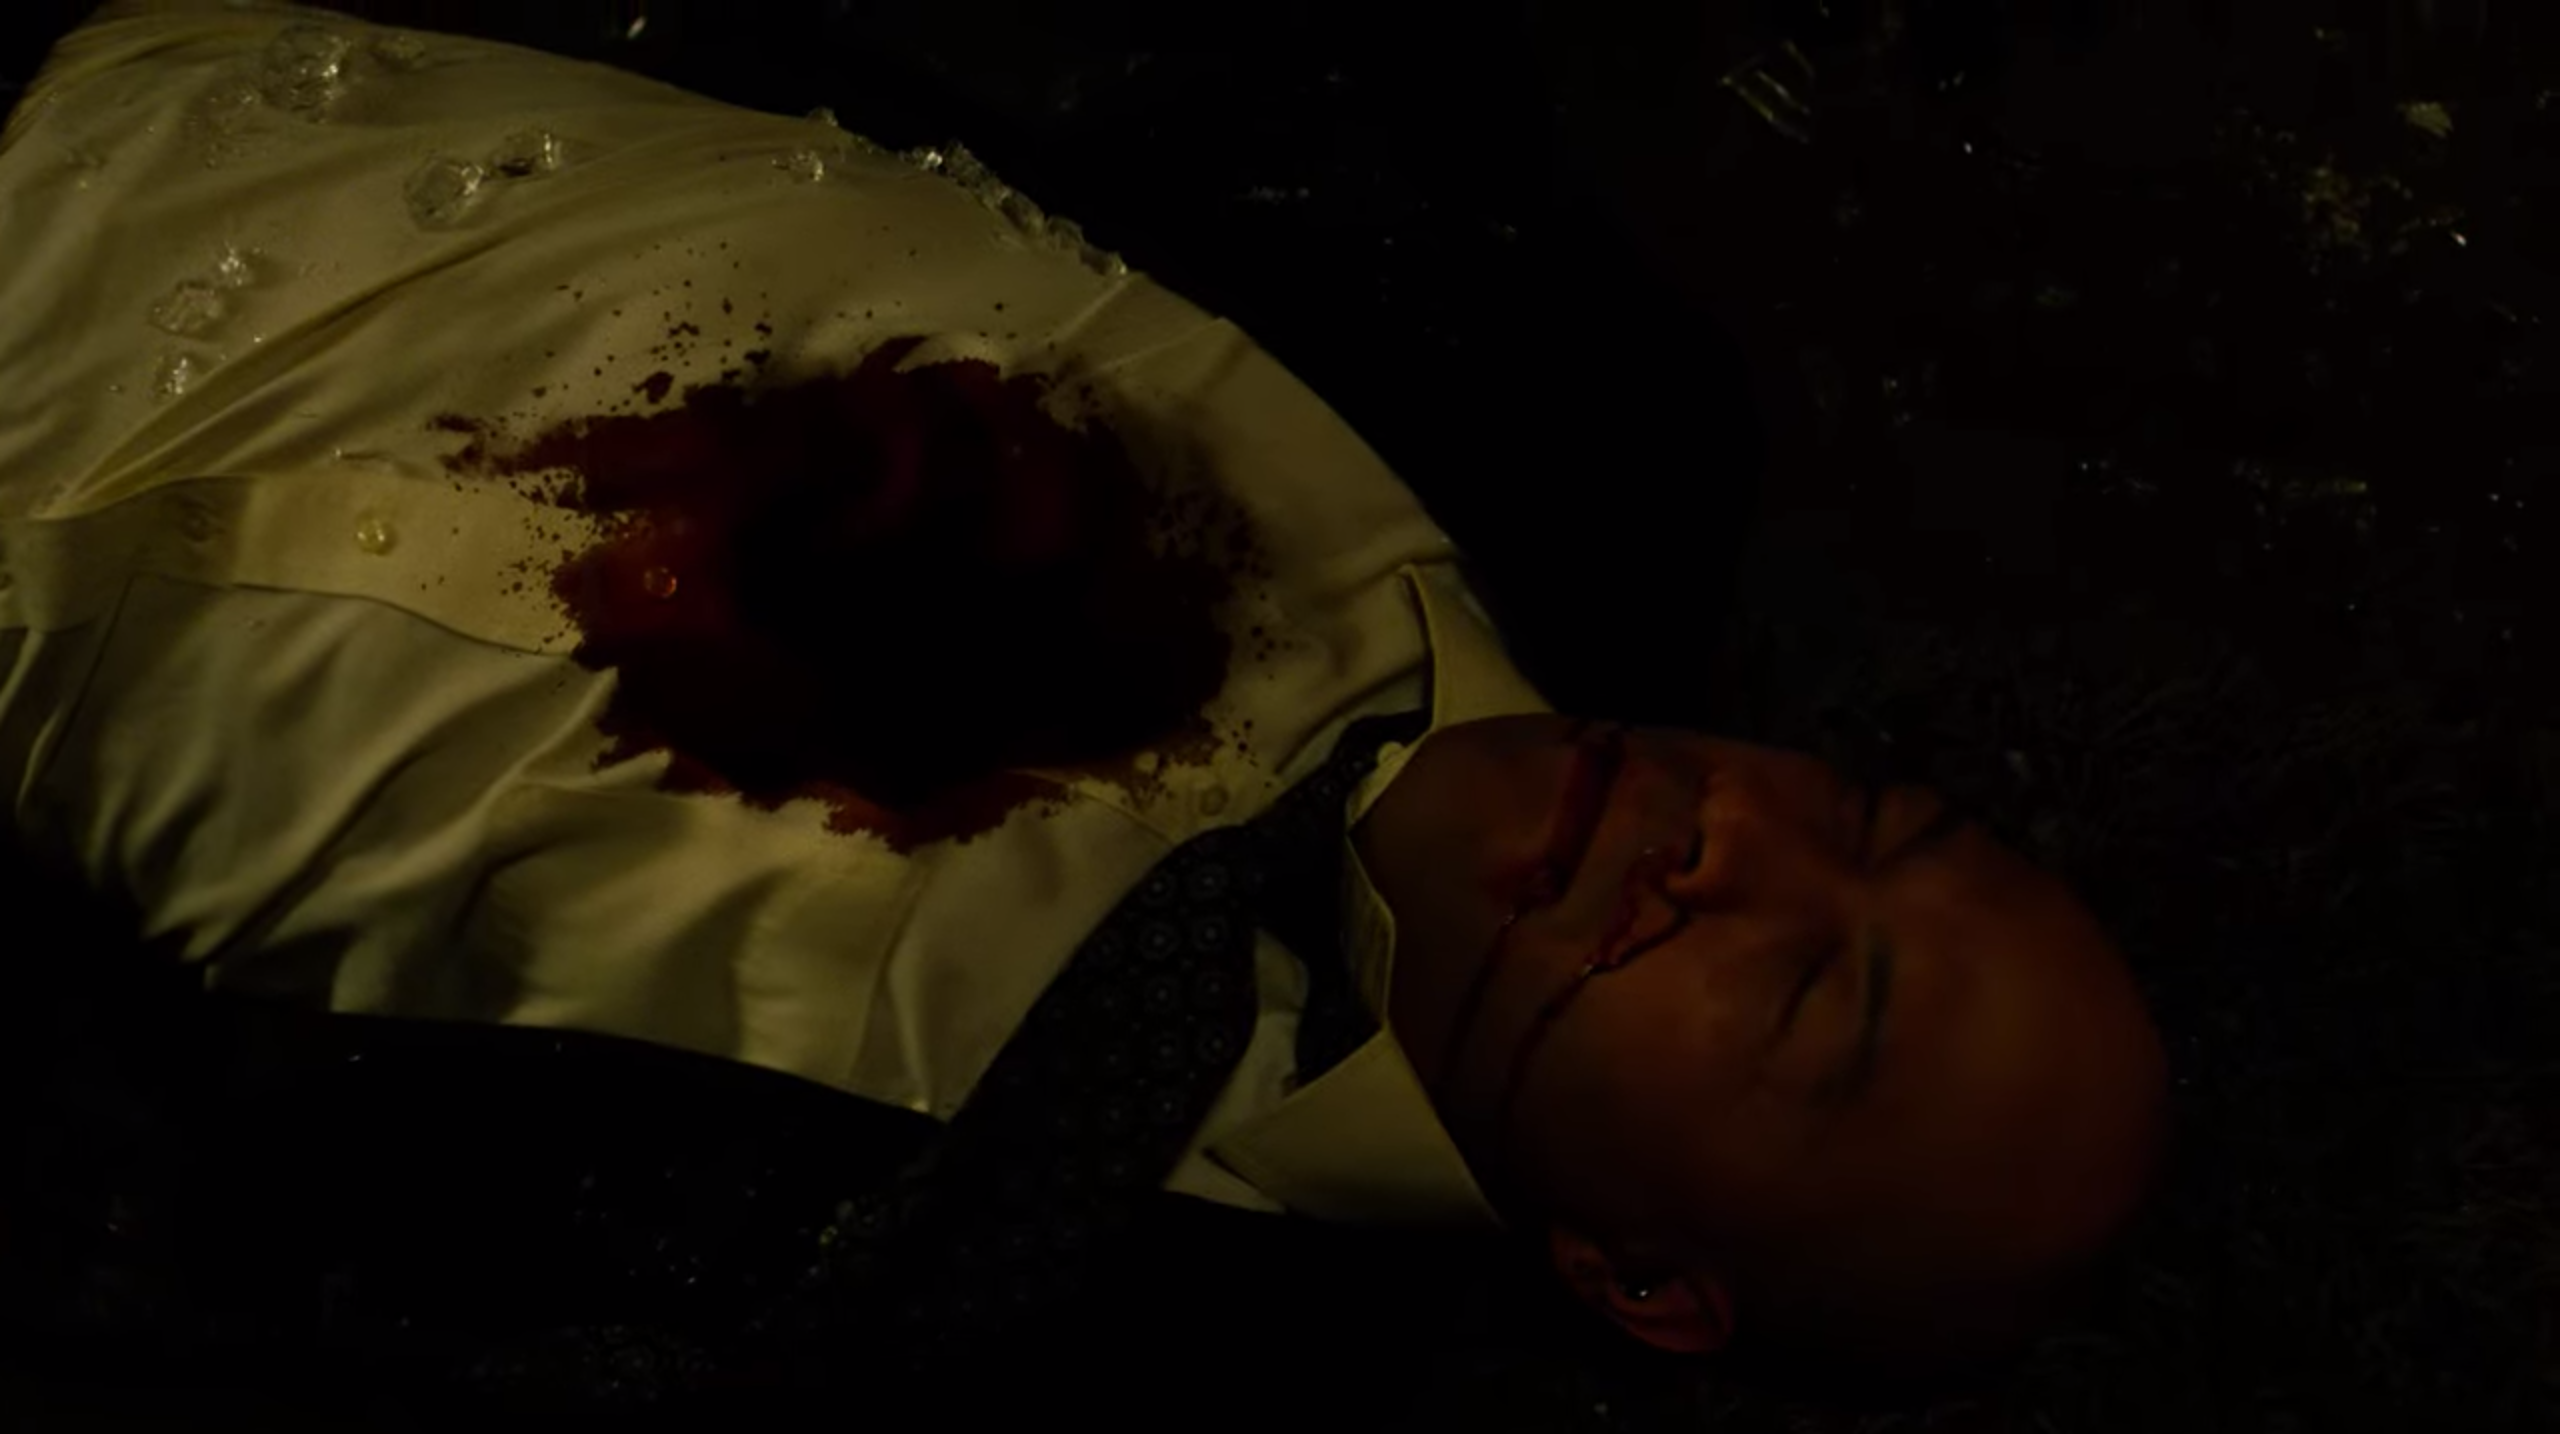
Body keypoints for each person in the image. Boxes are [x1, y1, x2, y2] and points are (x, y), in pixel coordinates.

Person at [0, 0, 2167, 1388]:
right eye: (1869, 818)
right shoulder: (1561, 415)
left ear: (1641, 1278)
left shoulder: (960, 1307)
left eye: (1806, 997)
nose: (1742, 840)